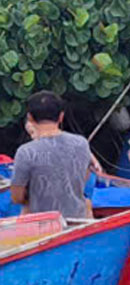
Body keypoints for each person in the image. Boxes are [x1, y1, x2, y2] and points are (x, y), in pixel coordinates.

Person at [10, 91, 94, 219]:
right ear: (61, 117)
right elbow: (84, 177)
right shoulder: (81, 143)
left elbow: (16, 197)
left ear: (30, 118)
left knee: (25, 210)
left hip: (42, 226)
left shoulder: (26, 152)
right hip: (78, 218)